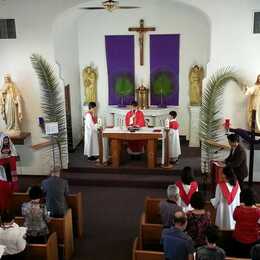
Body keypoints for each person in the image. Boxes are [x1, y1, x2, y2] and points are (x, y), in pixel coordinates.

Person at [232, 188, 260, 258]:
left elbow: (234, 218)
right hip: (254, 243)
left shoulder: (237, 210)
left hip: (238, 241)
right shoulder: (258, 212)